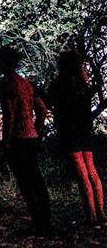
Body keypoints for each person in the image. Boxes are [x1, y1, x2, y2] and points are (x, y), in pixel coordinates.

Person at [0, 45, 52, 234]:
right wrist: (37, 130)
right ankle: (45, 222)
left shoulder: (6, 84)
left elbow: (10, 114)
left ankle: (37, 223)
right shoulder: (27, 83)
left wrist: (6, 141)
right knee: (36, 180)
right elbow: (42, 109)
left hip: (18, 139)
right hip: (31, 137)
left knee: (26, 183)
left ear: (3, 62)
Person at [48, 50, 105, 227]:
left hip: (70, 132)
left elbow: (49, 102)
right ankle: (101, 214)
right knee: (92, 171)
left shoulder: (59, 85)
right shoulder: (83, 86)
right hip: (84, 131)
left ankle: (91, 217)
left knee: (82, 174)